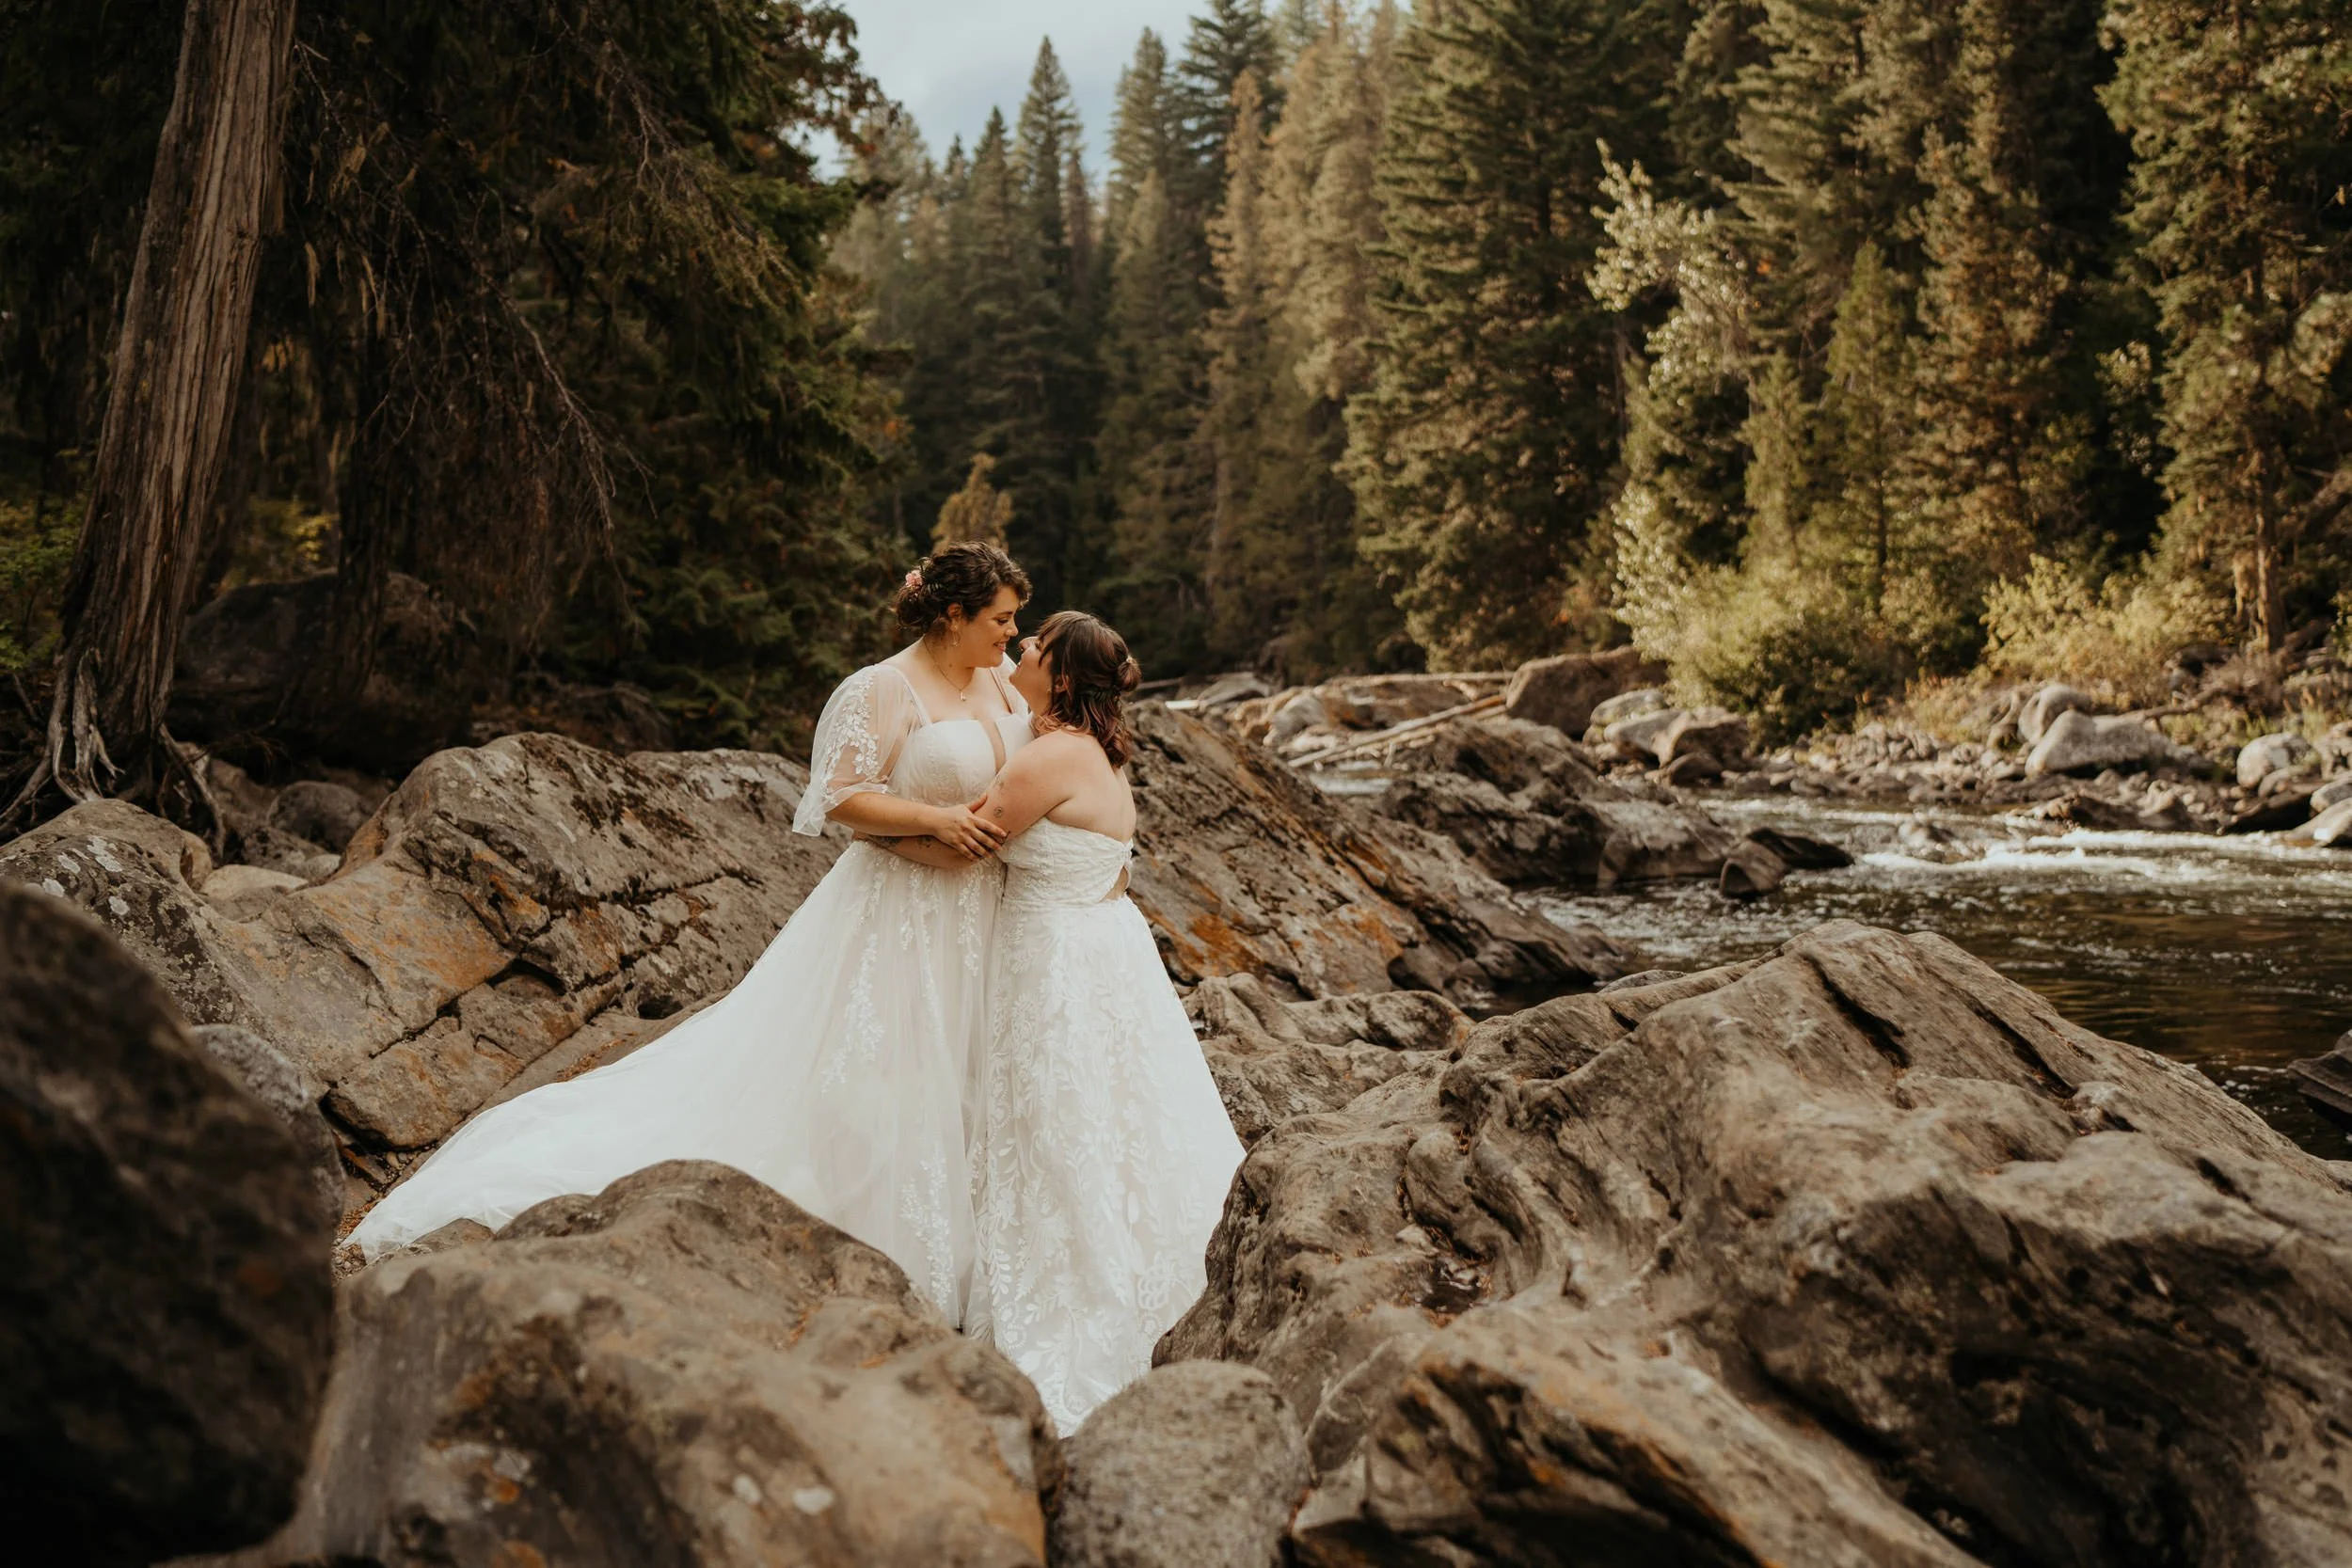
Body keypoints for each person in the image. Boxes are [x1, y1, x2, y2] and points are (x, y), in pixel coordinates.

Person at [348, 543, 1035, 1323]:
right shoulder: (884, 687)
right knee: (880, 1071)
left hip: (987, 912)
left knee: (974, 1069)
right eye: (1001, 620)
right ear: (954, 614)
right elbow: (837, 798)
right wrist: (933, 820)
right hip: (902, 911)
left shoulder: (1005, 680)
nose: (1011, 636)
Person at [958, 611, 1245, 1429]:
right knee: (1111, 1118)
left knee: (1055, 1122)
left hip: (1051, 957)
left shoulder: (1048, 756)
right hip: (1103, 949)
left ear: (1057, 673)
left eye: (1033, 644)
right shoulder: (1105, 756)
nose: (1017, 649)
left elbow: (967, 838)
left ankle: (1077, 1297)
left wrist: (871, 828)